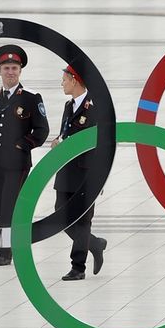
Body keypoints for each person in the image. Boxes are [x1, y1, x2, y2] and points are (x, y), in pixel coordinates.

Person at [0, 45, 50, 266]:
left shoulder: (31, 98)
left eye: (14, 68)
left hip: (17, 163)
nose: (10, 72)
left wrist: (22, 145)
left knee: (9, 206)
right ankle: (8, 245)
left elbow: (42, 130)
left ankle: (6, 252)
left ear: (20, 70)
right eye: (6, 68)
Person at [50, 64, 107, 281]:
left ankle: (78, 267)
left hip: (86, 173)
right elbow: (67, 134)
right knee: (60, 214)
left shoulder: (96, 107)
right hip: (66, 170)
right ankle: (95, 244)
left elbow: (102, 144)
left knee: (82, 220)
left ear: (74, 80)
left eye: (64, 79)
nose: (62, 83)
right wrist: (59, 141)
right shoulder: (68, 105)